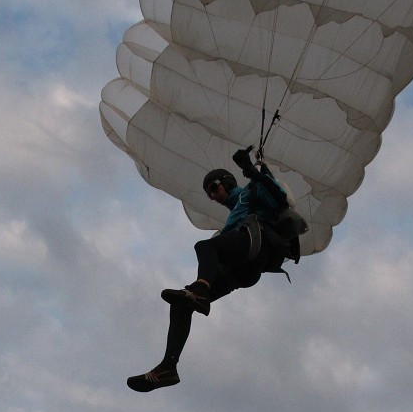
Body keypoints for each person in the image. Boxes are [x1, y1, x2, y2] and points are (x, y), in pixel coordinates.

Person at [127, 148, 299, 392]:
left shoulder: (249, 192)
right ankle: (168, 367)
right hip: (243, 271)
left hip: (255, 243)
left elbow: (279, 199)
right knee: (180, 305)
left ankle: (201, 290)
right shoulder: (233, 213)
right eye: (208, 194)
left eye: (214, 188)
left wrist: (252, 171)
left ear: (227, 183)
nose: (212, 195)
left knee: (205, 247)